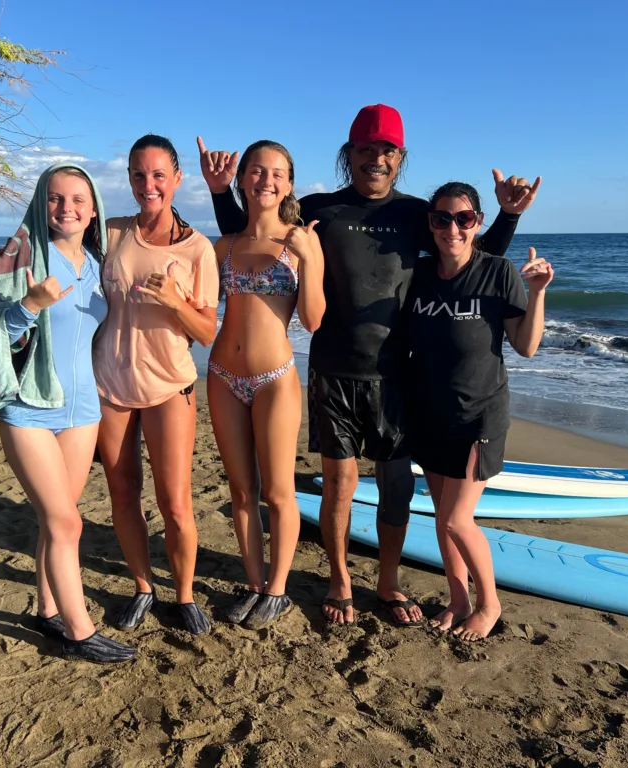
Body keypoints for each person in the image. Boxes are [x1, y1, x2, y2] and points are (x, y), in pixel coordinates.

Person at [200, 104, 540, 626]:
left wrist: (509, 218)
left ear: (399, 158)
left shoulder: (416, 215)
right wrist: (222, 191)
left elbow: (466, 254)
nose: (376, 159)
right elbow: (253, 233)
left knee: (397, 485)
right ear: (349, 154)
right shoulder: (319, 209)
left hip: (398, 371)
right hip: (333, 368)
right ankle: (339, 581)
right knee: (338, 484)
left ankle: (386, 582)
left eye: (387, 151)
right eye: (365, 149)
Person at [0, 162, 136, 663]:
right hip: (28, 406)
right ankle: (79, 630)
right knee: (67, 523)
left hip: (83, 408)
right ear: (41, 203)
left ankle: (46, 609)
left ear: (93, 210)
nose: (67, 209)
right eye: (56, 198)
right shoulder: (20, 258)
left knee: (55, 519)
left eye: (78, 200)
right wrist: (29, 306)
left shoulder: (96, 263)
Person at [406, 181, 552, 640]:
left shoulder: (497, 271)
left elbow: (526, 346)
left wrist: (539, 292)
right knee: (440, 517)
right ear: (430, 224)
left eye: (463, 219)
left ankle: (489, 604)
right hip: (430, 413)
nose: (453, 228)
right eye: (442, 218)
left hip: (480, 416)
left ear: (477, 223)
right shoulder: (420, 275)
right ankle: (458, 599)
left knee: (456, 519)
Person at [93, 135, 219, 635]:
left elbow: (207, 332)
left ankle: (184, 595)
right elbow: (57, 250)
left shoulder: (196, 248)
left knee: (175, 501)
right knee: (122, 495)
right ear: (128, 179)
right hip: (110, 382)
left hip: (170, 386)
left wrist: (175, 302)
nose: (149, 185)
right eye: (139, 176)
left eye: (159, 175)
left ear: (176, 178)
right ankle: (143, 587)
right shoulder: (110, 232)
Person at [204, 139, 325, 629]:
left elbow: (314, 321)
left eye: (276, 173)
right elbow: (197, 308)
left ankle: (278, 590)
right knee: (240, 490)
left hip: (275, 378)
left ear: (289, 183)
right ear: (242, 180)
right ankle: (255, 584)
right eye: (256, 171)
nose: (266, 180)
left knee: (277, 492)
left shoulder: (303, 240)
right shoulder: (224, 245)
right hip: (221, 375)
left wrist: (310, 260)